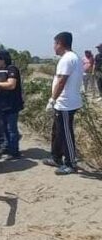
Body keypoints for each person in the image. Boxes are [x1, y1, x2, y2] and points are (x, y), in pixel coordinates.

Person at [43, 32, 84, 175]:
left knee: (66, 133)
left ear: (60, 43)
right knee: (58, 131)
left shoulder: (67, 59)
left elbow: (61, 81)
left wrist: (52, 99)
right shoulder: (74, 57)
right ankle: (56, 157)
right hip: (64, 102)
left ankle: (71, 163)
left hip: (66, 103)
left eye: (54, 44)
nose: (53, 47)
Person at [0, 50, 24, 160]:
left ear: (3, 60)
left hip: (11, 104)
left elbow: (11, 85)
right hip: (1, 104)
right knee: (3, 128)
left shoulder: (12, 69)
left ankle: (14, 152)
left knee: (11, 128)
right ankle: (7, 146)